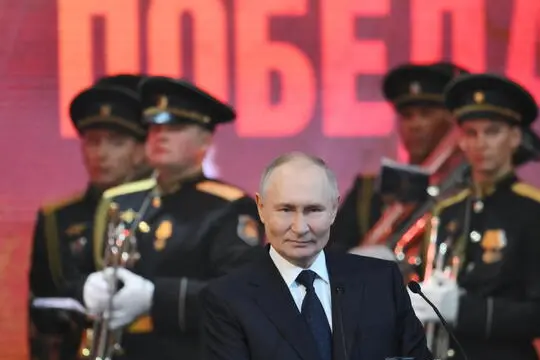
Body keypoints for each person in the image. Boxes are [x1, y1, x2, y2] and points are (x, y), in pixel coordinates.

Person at [77, 76, 263, 360]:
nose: (160, 136)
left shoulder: (228, 207)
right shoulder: (120, 201)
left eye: (175, 128)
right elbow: (73, 276)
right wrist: (88, 288)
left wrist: (155, 297)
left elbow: (240, 296)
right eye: (154, 127)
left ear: (205, 140)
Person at [200, 152, 432, 360]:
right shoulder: (227, 298)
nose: (300, 227)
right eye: (285, 210)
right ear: (261, 208)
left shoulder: (381, 280)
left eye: (313, 210)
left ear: (333, 209)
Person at [409, 73, 540, 360]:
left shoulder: (539, 210)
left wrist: (465, 310)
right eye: (471, 133)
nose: (480, 143)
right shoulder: (446, 211)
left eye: (492, 131)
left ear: (515, 137)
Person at [28, 84, 148, 360]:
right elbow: (43, 306)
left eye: (116, 141)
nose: (101, 153)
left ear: (142, 149)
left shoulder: (163, 211)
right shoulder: (57, 217)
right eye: (93, 141)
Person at [330, 62, 469, 279]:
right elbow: (333, 249)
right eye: (407, 115)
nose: (415, 124)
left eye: (426, 113)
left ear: (451, 120)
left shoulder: (467, 190)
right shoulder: (368, 191)